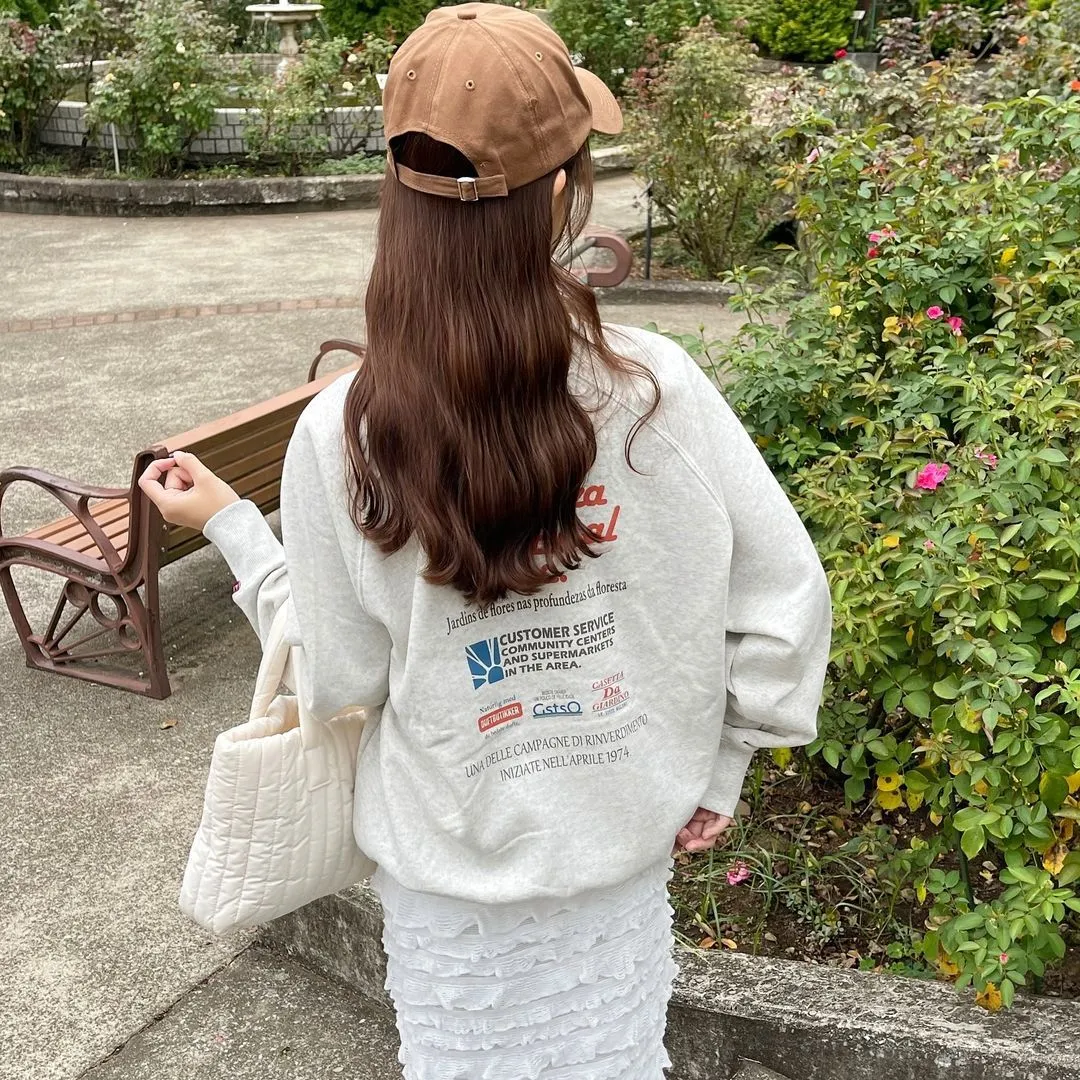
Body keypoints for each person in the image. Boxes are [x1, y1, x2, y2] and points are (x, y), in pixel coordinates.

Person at [139, 4, 832, 1077]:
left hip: (448, 882)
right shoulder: (657, 395)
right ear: (559, 191)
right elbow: (784, 596)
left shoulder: (344, 431)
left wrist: (235, 528)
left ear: (398, 193)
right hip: (618, 857)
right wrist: (725, 761)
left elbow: (339, 677)